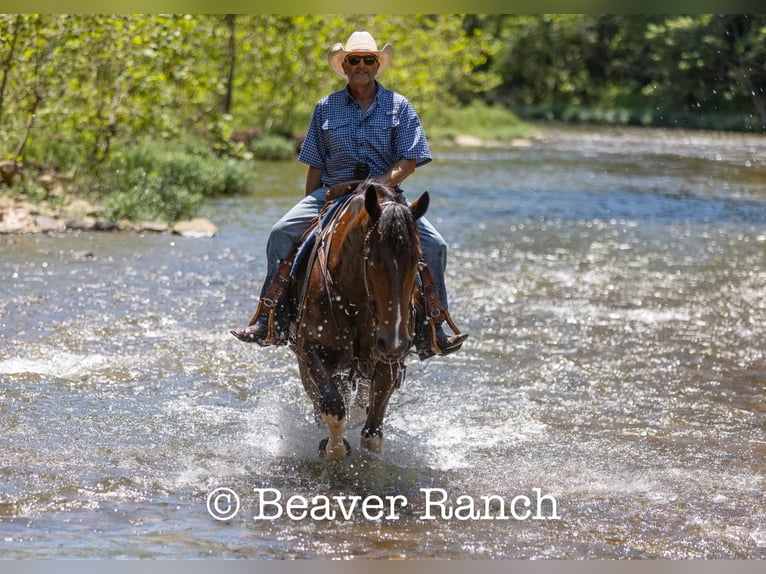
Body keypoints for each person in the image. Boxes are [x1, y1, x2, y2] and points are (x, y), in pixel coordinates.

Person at [231, 31, 467, 358]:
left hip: (385, 198)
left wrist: (380, 183)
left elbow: (410, 160)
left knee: (435, 246)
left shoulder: (399, 106)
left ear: (377, 65)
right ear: (344, 65)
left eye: (368, 60)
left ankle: (433, 326)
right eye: (354, 60)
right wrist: (310, 203)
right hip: (335, 192)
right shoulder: (325, 107)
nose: (361, 65)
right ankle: (272, 317)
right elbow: (314, 163)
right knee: (281, 232)